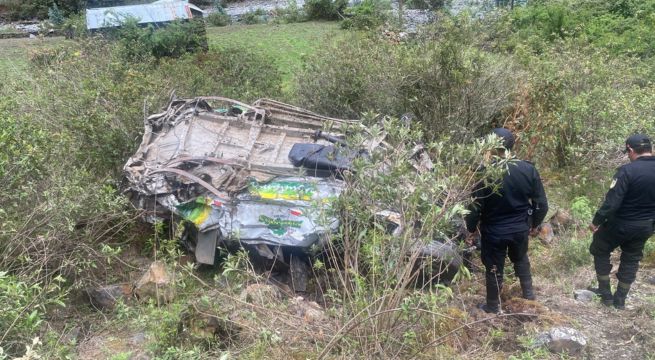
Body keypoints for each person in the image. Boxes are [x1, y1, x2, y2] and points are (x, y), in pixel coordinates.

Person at [466, 128, 549, 313]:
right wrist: (534, 225)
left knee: (494, 267)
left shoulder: (483, 173)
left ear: (492, 147)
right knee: (520, 258)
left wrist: (470, 229)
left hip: (494, 231)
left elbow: (474, 207)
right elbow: (542, 204)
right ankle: (529, 295)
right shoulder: (528, 169)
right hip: (520, 229)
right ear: (512, 146)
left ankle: (493, 306)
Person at [589, 134, 655, 309]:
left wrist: (596, 221)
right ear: (650, 149)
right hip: (645, 225)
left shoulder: (626, 171)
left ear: (631, 150)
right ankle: (620, 300)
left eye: (627, 152)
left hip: (620, 224)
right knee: (631, 259)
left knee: (599, 247)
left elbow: (612, 202)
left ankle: (605, 294)